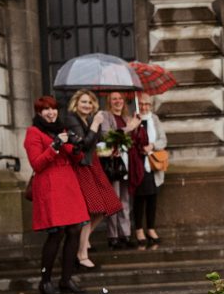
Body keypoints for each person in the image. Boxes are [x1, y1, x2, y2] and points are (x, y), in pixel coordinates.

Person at [24, 96, 90, 294]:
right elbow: (36, 163)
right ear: (38, 112)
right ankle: (45, 281)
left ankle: (66, 279)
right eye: (46, 110)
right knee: (56, 233)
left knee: (74, 231)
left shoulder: (61, 129)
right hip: (51, 187)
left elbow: (76, 157)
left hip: (68, 186)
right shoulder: (33, 132)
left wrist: (76, 146)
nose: (51, 113)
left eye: (53, 109)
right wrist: (54, 146)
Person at [62, 89, 123, 268]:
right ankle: (82, 254)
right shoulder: (71, 119)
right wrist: (96, 124)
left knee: (108, 205)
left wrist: (109, 148)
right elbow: (83, 144)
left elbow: (95, 143)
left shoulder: (88, 119)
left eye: (90, 102)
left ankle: (84, 240)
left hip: (94, 164)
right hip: (82, 168)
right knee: (92, 209)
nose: (87, 105)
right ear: (76, 103)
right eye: (83, 102)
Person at [99, 91, 141, 249]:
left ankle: (126, 234)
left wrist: (136, 126)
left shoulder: (127, 117)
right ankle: (113, 236)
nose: (118, 101)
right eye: (114, 99)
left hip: (127, 163)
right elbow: (105, 136)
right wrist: (128, 128)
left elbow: (133, 141)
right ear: (109, 102)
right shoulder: (105, 116)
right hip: (113, 165)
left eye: (120, 98)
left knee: (125, 200)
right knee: (114, 201)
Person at [127, 93, 167, 249]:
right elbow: (127, 140)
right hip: (137, 164)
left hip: (152, 164)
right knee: (139, 199)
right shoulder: (133, 119)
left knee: (152, 198)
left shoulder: (154, 119)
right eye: (141, 104)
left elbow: (163, 139)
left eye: (147, 104)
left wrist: (152, 146)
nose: (144, 107)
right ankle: (138, 230)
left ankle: (151, 229)